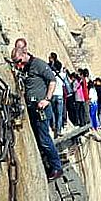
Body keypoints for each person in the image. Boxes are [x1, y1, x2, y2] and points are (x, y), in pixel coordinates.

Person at [14, 47, 64, 180]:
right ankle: (48, 164)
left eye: (19, 61)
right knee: (38, 138)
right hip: (32, 108)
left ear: (25, 54)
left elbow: (52, 80)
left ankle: (57, 168)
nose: (18, 65)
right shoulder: (24, 68)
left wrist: (46, 99)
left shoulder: (38, 64)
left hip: (41, 108)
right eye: (16, 63)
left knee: (44, 140)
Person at [47, 55, 66, 138]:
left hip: (53, 95)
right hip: (60, 96)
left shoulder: (51, 75)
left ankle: (53, 126)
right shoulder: (62, 75)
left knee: (53, 113)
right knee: (60, 114)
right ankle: (59, 130)